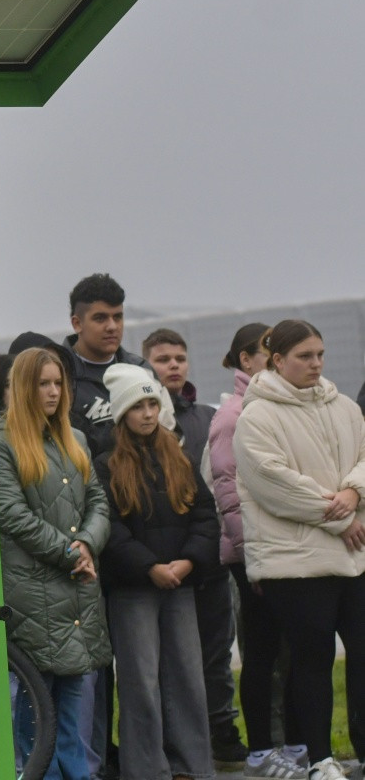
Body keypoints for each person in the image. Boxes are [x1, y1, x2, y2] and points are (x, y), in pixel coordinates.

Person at [234, 320, 365, 780]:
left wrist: (353, 490)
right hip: (295, 564)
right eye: (305, 356)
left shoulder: (345, 407)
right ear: (277, 360)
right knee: (312, 662)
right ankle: (319, 759)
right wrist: (345, 517)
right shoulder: (257, 417)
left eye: (320, 354)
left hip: (352, 558)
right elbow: (275, 485)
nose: (316, 364)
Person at [0, 347, 112, 780]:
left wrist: (87, 544)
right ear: (22, 387)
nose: (53, 392)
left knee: (72, 712)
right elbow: (10, 514)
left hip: (77, 589)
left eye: (58, 383)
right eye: (43, 383)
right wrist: (71, 554)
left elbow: (99, 502)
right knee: (36, 718)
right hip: (31, 591)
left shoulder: (75, 438)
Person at [96, 363, 218, 780]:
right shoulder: (106, 465)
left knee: (187, 678)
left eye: (152, 404)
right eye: (137, 406)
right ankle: (147, 769)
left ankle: (192, 767)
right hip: (133, 590)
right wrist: (149, 567)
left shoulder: (179, 458)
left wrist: (188, 562)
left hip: (179, 585)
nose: (148, 413)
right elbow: (110, 528)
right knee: (140, 682)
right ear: (121, 414)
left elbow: (205, 516)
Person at [143, 327, 244, 766]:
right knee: (170, 660)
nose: (173, 366)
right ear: (147, 366)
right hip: (163, 563)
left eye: (179, 358)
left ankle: (222, 730)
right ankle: (176, 740)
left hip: (210, 560)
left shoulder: (207, 418)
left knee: (217, 651)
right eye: (163, 359)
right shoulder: (141, 423)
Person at [209, 322, 305, 779]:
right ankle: (263, 752)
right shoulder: (233, 415)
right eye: (268, 351)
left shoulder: (280, 405)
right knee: (263, 654)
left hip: (286, 552)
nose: (277, 359)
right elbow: (228, 494)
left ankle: (296, 747)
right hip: (254, 557)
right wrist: (253, 559)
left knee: (295, 651)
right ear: (245, 361)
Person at [62, 275, 151, 460]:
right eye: (100, 318)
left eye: (117, 317)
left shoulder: (142, 371)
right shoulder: (59, 378)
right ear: (77, 324)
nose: (112, 326)